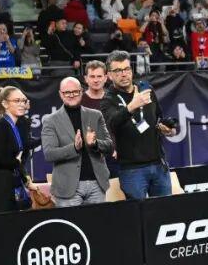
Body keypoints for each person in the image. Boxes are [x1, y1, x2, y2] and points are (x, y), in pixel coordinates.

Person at [99, 51, 175, 200]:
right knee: (138, 212)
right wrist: (132, 106)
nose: (123, 74)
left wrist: (167, 129)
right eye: (118, 70)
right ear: (109, 75)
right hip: (132, 170)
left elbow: (158, 117)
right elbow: (112, 123)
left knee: (165, 210)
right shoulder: (108, 99)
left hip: (158, 165)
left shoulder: (146, 89)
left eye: (126, 69)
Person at [41, 76, 112, 207]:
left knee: (98, 221)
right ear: (60, 94)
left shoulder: (95, 115)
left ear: (81, 92)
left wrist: (95, 144)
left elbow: (109, 146)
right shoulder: (50, 120)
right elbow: (49, 154)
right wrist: (74, 148)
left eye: (75, 91)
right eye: (67, 92)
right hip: (67, 187)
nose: (71, 95)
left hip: (97, 184)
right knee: (71, 221)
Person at [0, 87, 36, 214]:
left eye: (23, 101)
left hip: (10, 183)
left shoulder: (14, 125)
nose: (22, 104)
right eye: (17, 101)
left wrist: (25, 180)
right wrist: (16, 161)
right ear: (5, 104)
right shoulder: (0, 126)